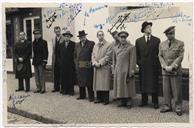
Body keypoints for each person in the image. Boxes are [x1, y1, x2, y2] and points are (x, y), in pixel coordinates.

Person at [159, 26, 184, 116]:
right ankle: (167, 106)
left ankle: (178, 107)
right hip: (165, 70)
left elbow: (180, 56)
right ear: (166, 35)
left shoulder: (180, 43)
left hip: (175, 70)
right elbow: (160, 56)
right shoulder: (162, 44)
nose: (172, 35)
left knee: (176, 89)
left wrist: (172, 66)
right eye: (170, 34)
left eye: (173, 33)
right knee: (166, 89)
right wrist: (164, 65)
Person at [135, 21, 161, 109]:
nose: (150, 28)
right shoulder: (138, 41)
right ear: (144, 29)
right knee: (143, 83)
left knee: (154, 84)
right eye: (147, 27)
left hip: (153, 67)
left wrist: (157, 65)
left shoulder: (157, 40)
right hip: (143, 67)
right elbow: (137, 55)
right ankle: (144, 101)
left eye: (150, 27)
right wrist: (140, 63)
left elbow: (159, 54)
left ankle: (155, 102)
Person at [113, 31, 136, 108]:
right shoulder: (115, 48)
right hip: (118, 70)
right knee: (120, 85)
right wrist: (114, 70)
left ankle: (129, 100)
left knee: (128, 85)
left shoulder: (131, 47)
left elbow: (133, 60)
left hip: (127, 69)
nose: (123, 39)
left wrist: (132, 70)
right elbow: (114, 60)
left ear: (126, 38)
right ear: (118, 38)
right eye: (121, 37)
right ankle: (121, 99)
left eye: (124, 37)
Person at [92, 30, 113, 105]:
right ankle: (99, 98)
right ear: (97, 36)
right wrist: (94, 62)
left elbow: (108, 56)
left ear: (103, 36)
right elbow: (93, 55)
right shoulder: (95, 46)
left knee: (104, 83)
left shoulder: (108, 45)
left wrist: (100, 63)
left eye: (102, 35)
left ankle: (106, 99)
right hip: (97, 67)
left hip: (104, 67)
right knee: (98, 83)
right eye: (99, 35)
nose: (100, 36)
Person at [75, 30, 95, 102]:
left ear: (85, 36)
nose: (82, 38)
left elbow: (93, 54)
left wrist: (90, 62)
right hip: (79, 65)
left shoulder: (91, 43)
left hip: (87, 64)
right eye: (80, 37)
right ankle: (82, 95)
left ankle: (91, 96)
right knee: (80, 81)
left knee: (89, 81)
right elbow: (75, 55)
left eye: (83, 37)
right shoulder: (77, 45)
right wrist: (76, 63)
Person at [58, 31, 76, 95]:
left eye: (68, 36)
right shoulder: (61, 45)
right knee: (63, 77)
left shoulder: (74, 44)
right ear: (64, 37)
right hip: (63, 64)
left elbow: (75, 54)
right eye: (65, 36)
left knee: (71, 77)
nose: (66, 37)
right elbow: (58, 55)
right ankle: (64, 90)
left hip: (70, 64)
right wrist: (60, 62)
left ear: (70, 37)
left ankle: (71, 90)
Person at [32, 29, 48, 94]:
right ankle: (38, 88)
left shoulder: (44, 42)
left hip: (41, 61)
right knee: (36, 75)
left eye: (37, 34)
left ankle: (43, 88)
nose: (36, 35)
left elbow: (46, 52)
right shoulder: (33, 42)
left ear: (40, 35)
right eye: (35, 34)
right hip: (35, 61)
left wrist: (45, 61)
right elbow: (34, 52)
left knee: (41, 75)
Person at [51, 26, 64, 92]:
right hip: (55, 58)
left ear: (60, 31)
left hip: (61, 58)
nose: (57, 32)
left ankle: (62, 87)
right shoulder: (53, 38)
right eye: (56, 31)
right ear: (54, 32)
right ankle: (56, 87)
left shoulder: (63, 38)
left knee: (61, 73)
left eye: (58, 31)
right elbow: (53, 49)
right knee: (55, 73)